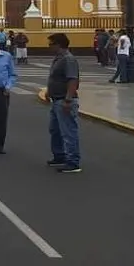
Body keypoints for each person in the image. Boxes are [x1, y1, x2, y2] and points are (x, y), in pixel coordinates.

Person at [45, 33, 81, 173]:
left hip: (64, 100)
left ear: (58, 44)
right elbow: (55, 78)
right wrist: (49, 91)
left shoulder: (68, 59)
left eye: (51, 44)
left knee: (68, 132)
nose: (49, 47)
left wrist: (68, 99)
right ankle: (59, 155)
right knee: (55, 130)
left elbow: (72, 80)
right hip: (56, 99)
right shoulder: (58, 58)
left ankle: (73, 161)